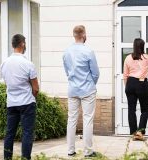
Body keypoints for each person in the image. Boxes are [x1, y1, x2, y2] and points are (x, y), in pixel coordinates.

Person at [63, 25, 100, 158]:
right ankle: (88, 151)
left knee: (71, 119)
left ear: (74, 35)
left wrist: (73, 81)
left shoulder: (66, 52)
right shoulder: (88, 51)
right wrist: (90, 84)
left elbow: (67, 71)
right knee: (88, 119)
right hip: (87, 89)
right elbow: (95, 73)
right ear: (84, 35)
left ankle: (70, 150)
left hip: (72, 89)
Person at [1, 34, 39, 160]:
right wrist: (32, 95)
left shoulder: (4, 63)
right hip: (27, 102)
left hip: (11, 103)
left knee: (9, 133)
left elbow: (7, 83)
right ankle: (25, 158)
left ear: (13, 45)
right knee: (27, 133)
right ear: (22, 44)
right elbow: (36, 88)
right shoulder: (28, 64)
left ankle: (7, 158)